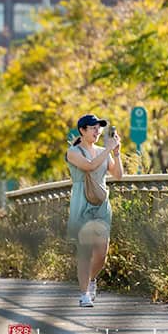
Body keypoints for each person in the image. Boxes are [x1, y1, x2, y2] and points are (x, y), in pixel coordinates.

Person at [66, 113, 123, 308]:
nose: (97, 131)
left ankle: (90, 281)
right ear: (82, 131)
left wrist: (116, 152)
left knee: (101, 254)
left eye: (99, 128)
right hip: (82, 203)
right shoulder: (73, 152)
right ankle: (84, 295)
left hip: (101, 205)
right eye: (93, 128)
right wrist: (107, 149)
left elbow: (118, 175)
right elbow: (89, 167)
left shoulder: (102, 151)